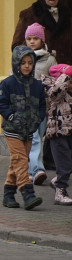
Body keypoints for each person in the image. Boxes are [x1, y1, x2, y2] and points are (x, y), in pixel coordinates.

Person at [0, 45, 46, 210]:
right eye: (23, 63)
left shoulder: (37, 86)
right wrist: (11, 117)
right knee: (22, 160)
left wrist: (37, 120)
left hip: (29, 131)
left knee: (16, 163)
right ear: (16, 63)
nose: (26, 66)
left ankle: (8, 194)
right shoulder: (8, 84)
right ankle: (27, 193)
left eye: (30, 63)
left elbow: (42, 107)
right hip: (12, 130)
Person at [12, 0, 72, 65]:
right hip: (38, 67)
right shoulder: (29, 15)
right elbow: (17, 45)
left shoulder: (68, 16)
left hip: (64, 69)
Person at [24, 23, 56, 185]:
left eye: (35, 38)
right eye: (29, 39)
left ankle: (31, 171)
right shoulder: (21, 57)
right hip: (25, 107)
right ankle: (37, 170)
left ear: (42, 40)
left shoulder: (49, 60)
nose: (31, 42)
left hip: (42, 106)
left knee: (37, 138)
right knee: (33, 138)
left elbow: (56, 82)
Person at [43, 63, 72, 205]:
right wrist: (66, 75)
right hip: (58, 131)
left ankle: (56, 180)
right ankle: (60, 193)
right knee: (64, 163)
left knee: (68, 164)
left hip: (70, 130)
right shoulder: (49, 84)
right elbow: (54, 94)